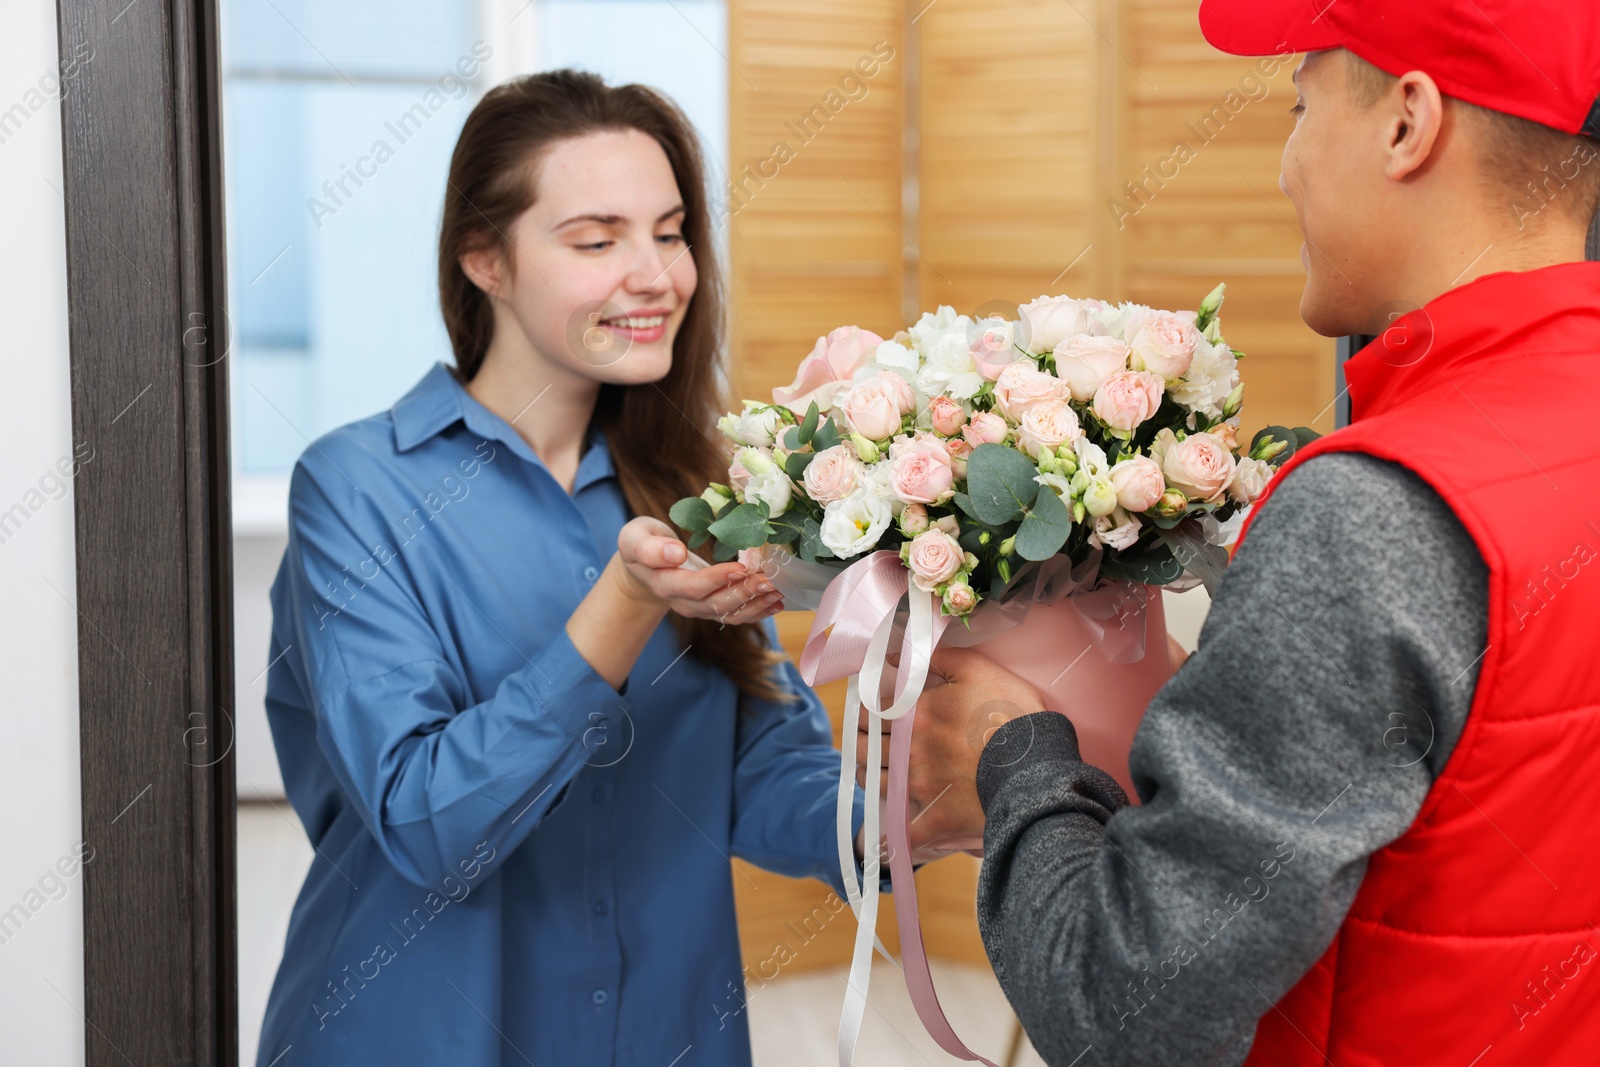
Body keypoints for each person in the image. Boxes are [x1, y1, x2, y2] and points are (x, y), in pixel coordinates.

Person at [887, 1, 1600, 1063]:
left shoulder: (1374, 507)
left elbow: (1126, 1008)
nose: (1285, 167)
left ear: (1408, 123)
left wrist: (1012, 754)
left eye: (1300, 105)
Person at [256, 70, 881, 1066]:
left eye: (670, 231)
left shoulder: (701, 489)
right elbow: (430, 824)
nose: (655, 275)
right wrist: (624, 602)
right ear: (484, 259)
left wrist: (941, 798)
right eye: (597, 240)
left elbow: (759, 774)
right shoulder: (355, 488)